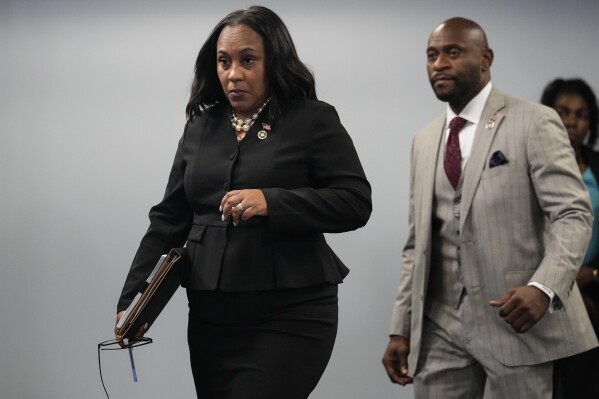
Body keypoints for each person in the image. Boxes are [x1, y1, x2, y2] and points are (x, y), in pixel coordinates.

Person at [114, 6, 372, 399]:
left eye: (247, 60)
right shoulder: (201, 126)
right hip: (211, 318)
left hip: (290, 312)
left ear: (275, 62)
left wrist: (272, 201)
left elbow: (355, 202)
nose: (233, 73)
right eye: (223, 62)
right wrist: (133, 300)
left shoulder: (313, 120)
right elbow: (169, 218)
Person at [382, 17, 598, 398]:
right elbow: (417, 244)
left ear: (485, 59)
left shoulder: (534, 121)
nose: (439, 64)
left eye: (453, 52)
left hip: (515, 321)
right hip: (440, 326)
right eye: (431, 55)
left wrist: (544, 287)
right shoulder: (424, 139)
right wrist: (402, 325)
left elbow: (573, 214)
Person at [541, 78, 599, 399]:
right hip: (540, 293)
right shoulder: (527, 162)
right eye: (562, 112)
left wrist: (591, 274)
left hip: (593, 294)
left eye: (581, 114)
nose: (571, 121)